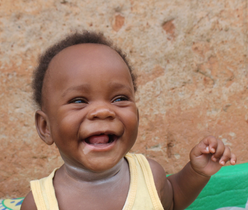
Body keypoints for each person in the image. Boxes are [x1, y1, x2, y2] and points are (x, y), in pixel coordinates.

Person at [20, 31, 236, 210]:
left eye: (119, 98)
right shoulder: (40, 204)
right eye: (79, 100)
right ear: (45, 127)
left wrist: (195, 172)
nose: (103, 111)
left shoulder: (150, 175)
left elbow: (172, 200)